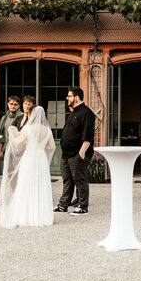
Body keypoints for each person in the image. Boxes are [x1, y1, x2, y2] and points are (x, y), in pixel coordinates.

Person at [0, 95, 55, 228]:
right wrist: (40, 146)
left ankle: (25, 215)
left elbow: (18, 144)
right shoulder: (47, 130)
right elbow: (52, 147)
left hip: (29, 158)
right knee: (40, 186)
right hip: (40, 159)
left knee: (25, 186)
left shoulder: (27, 129)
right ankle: (40, 216)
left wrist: (12, 133)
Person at [55, 86, 95, 216]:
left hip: (77, 154)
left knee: (80, 180)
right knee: (67, 180)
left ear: (76, 97)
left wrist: (81, 153)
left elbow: (87, 135)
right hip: (66, 154)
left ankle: (83, 207)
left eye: (69, 96)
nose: (67, 98)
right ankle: (63, 205)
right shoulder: (74, 112)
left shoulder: (86, 113)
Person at [0, 96, 23, 168]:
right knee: (8, 170)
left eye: (15, 104)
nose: (13, 106)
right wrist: (0, 151)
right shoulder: (4, 118)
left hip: (18, 149)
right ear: (8, 104)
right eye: (11, 104)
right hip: (7, 149)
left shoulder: (22, 117)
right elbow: (1, 135)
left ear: (19, 106)